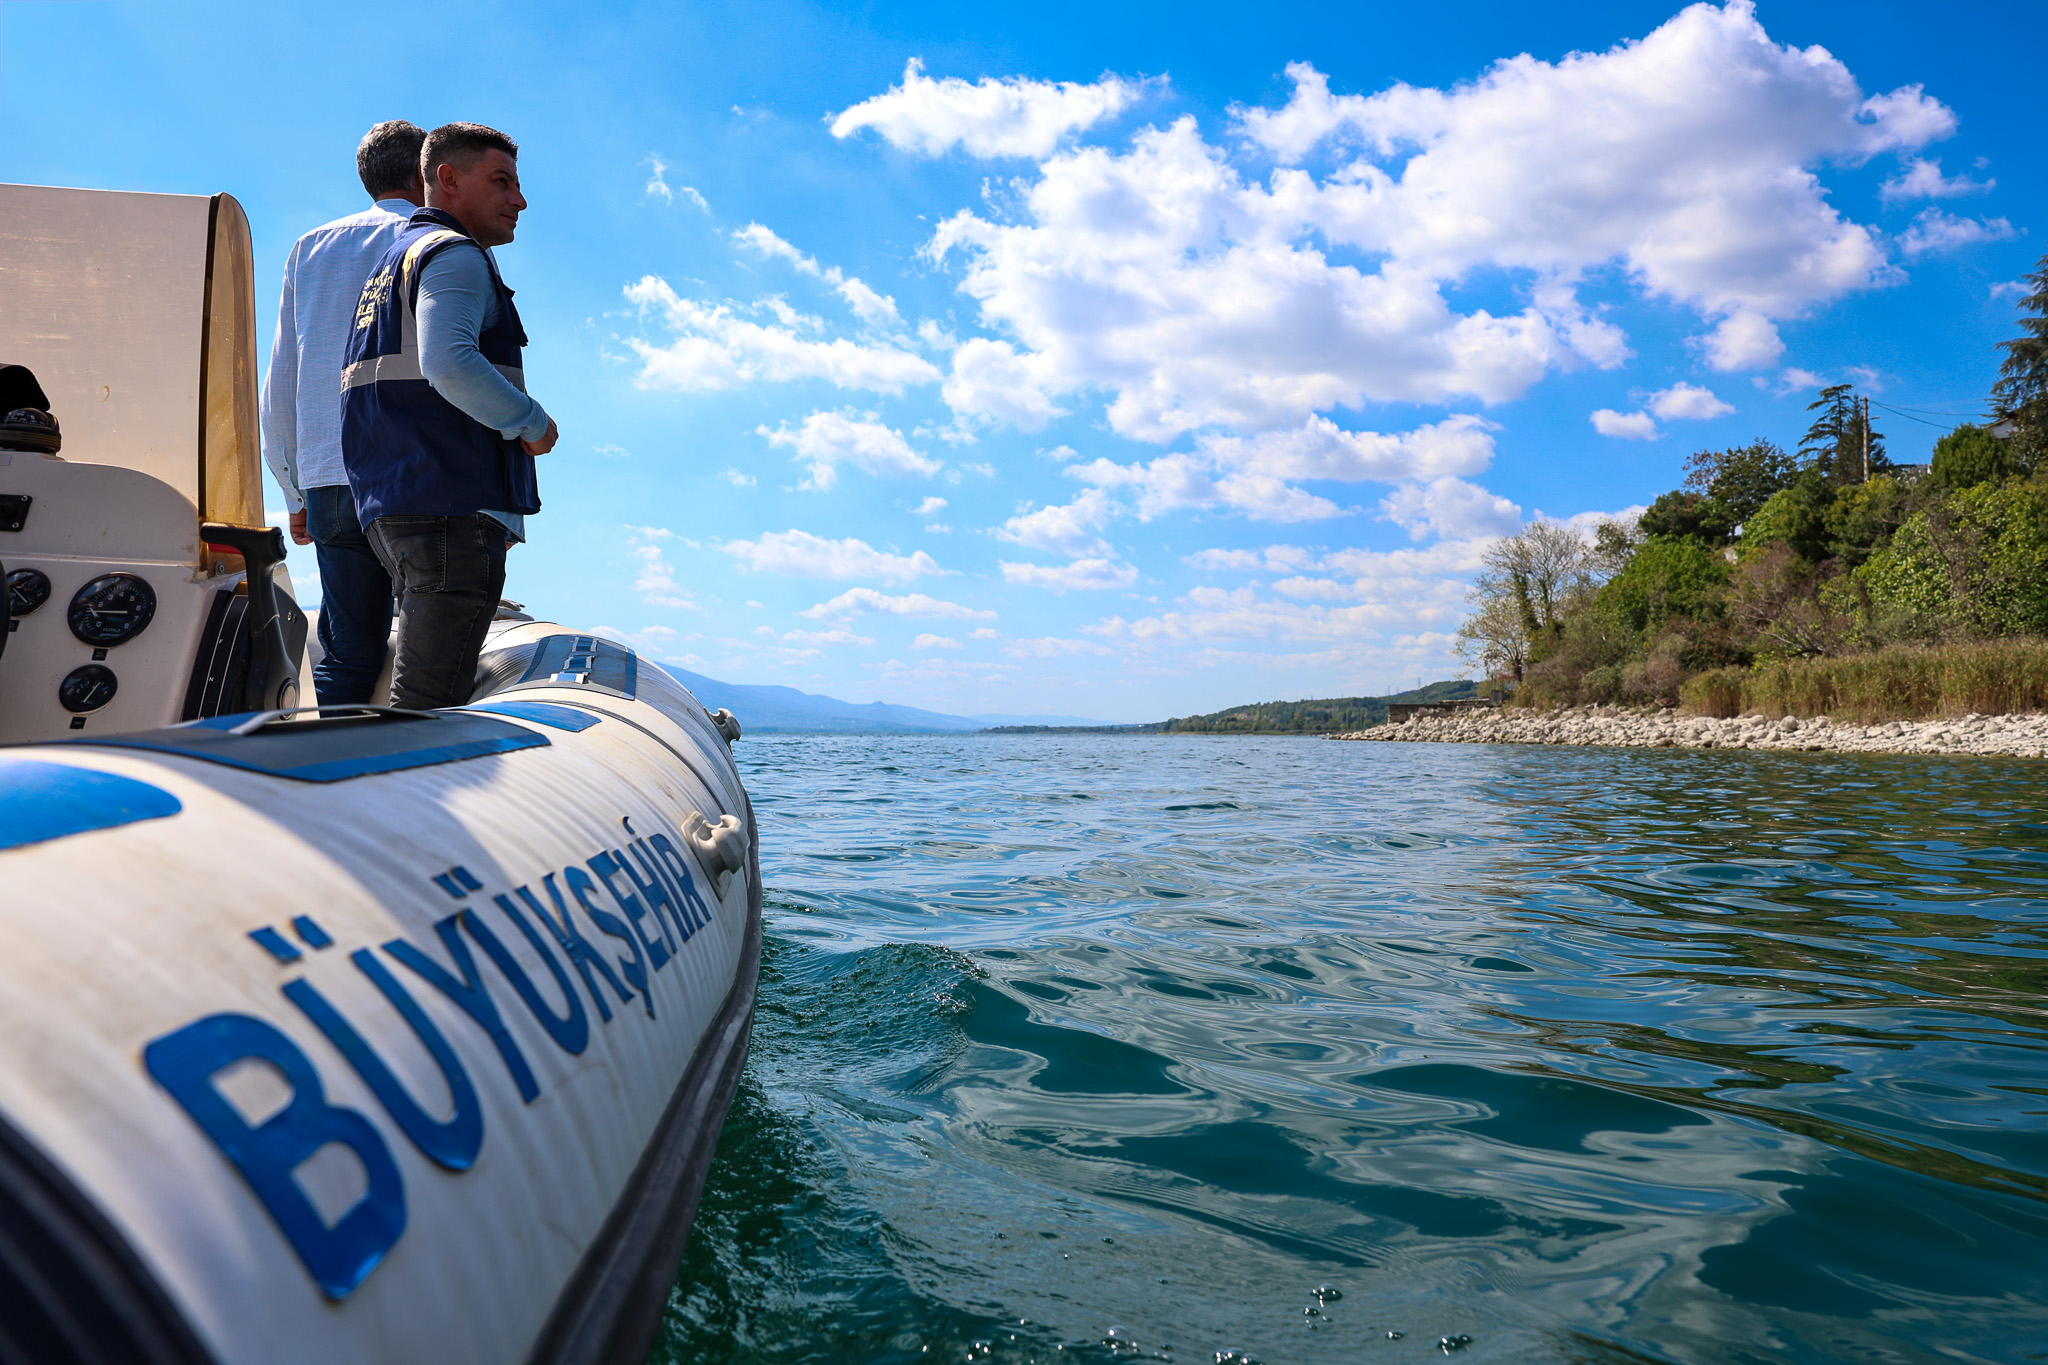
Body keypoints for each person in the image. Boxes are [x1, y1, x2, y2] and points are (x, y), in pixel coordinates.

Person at [340, 122, 558, 711]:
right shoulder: (455, 256)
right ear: (447, 179)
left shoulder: (392, 263)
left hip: (395, 502)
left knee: (415, 693)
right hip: (449, 506)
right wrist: (532, 423)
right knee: (427, 710)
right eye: (502, 181)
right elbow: (450, 363)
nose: (520, 199)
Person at [259, 120, 426, 705]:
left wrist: (294, 492)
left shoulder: (311, 247)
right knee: (429, 655)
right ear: (425, 172)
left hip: (330, 477)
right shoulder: (440, 242)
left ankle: (331, 775)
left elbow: (282, 380)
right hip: (417, 477)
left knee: (348, 652)